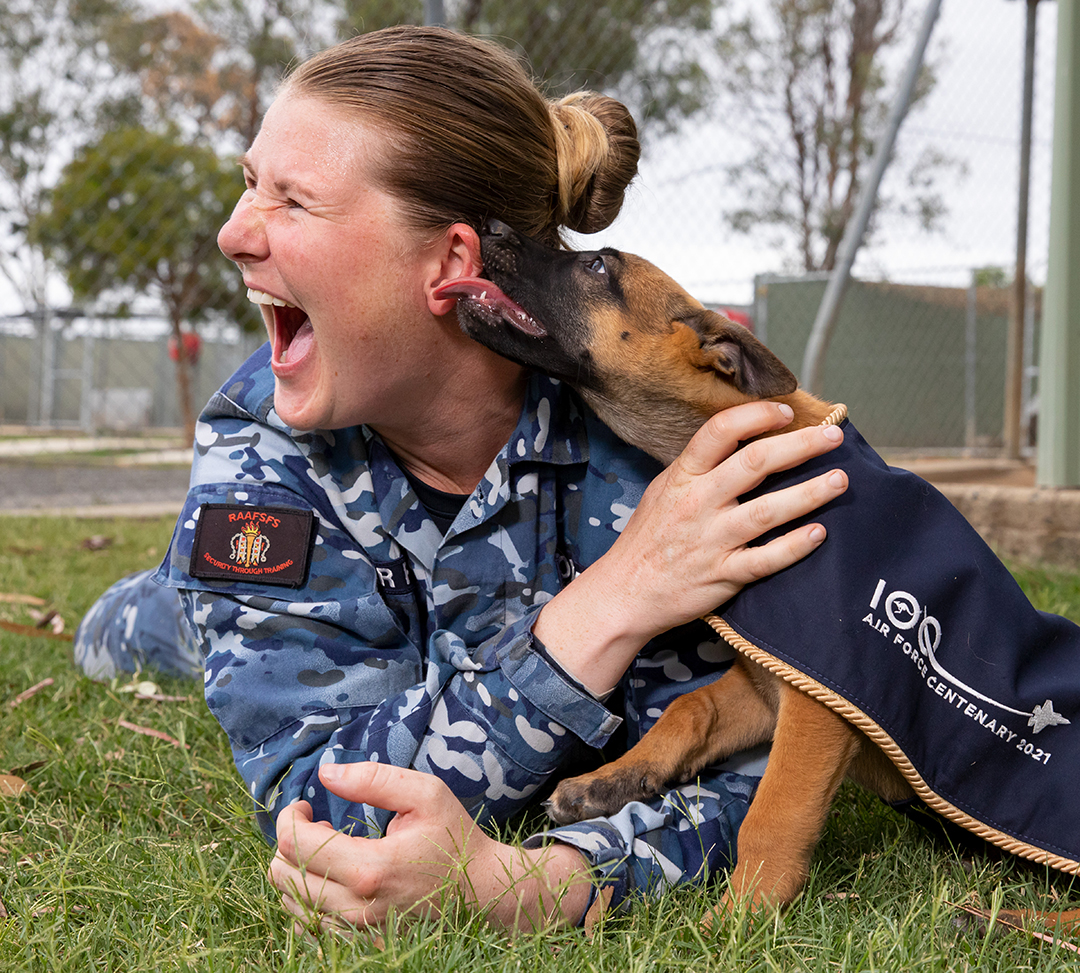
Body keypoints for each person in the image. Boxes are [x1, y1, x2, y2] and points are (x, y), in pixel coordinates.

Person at [73, 25, 849, 936]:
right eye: (252, 183)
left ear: (451, 264)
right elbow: (324, 815)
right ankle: (164, 600)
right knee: (131, 631)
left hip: (422, 656)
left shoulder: (649, 440)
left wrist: (547, 881)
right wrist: (611, 601)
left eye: (293, 199)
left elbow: (763, 743)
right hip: (226, 617)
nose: (234, 233)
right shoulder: (261, 446)